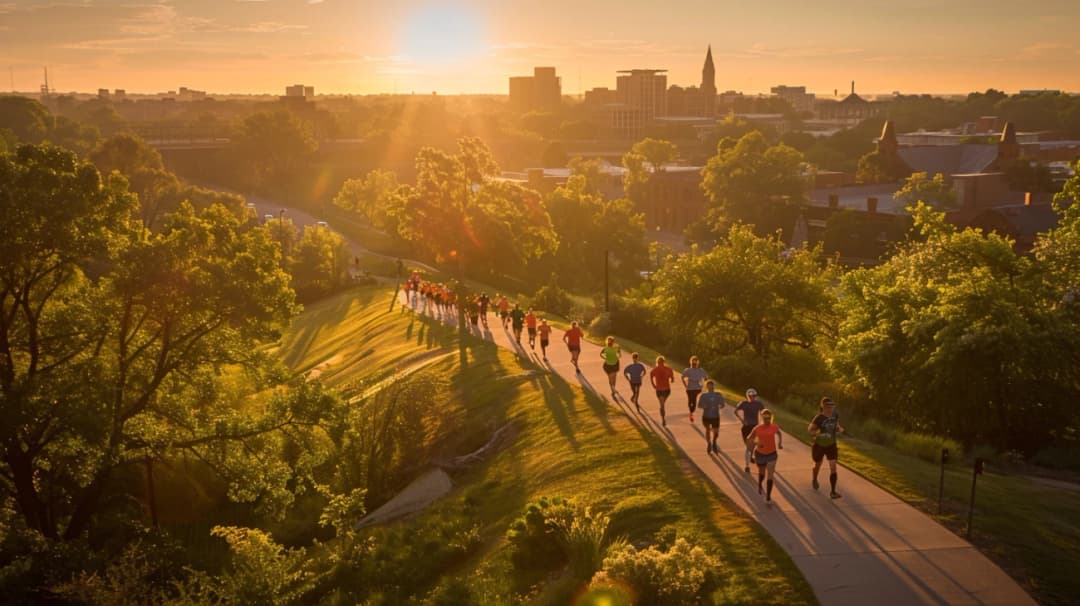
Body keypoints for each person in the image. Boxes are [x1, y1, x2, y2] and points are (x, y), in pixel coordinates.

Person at [808, 397, 845, 499]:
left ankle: (833, 492)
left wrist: (840, 429)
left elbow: (836, 426)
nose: (829, 408)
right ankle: (814, 478)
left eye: (831, 406)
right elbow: (810, 429)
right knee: (818, 464)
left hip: (831, 445)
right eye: (827, 406)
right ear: (822, 406)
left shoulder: (835, 416)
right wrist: (817, 433)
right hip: (819, 445)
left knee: (833, 467)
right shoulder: (818, 418)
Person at [746, 409, 783, 503]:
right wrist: (757, 443)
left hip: (772, 454)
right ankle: (759, 484)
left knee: (770, 474)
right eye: (765, 417)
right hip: (760, 454)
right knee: (762, 473)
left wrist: (779, 443)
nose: (767, 419)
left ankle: (768, 497)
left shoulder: (774, 427)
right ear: (762, 417)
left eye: (768, 417)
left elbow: (779, 433)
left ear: (771, 417)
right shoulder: (757, 428)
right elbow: (749, 439)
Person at [734, 388, 765, 473]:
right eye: (750, 396)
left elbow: (763, 413)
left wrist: (763, 423)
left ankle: (749, 461)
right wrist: (742, 420)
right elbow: (735, 411)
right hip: (746, 427)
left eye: (753, 396)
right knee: (749, 447)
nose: (752, 397)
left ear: (755, 396)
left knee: (752, 446)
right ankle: (748, 462)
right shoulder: (743, 403)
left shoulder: (758, 404)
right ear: (747, 396)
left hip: (755, 427)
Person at [698, 380, 725, 454]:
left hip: (715, 416)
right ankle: (709, 443)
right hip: (706, 416)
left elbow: (722, 405)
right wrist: (705, 406)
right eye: (708, 385)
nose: (710, 386)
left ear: (713, 386)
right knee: (707, 430)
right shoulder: (704, 396)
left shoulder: (718, 395)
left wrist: (720, 406)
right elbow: (699, 405)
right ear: (706, 386)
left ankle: (714, 441)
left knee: (716, 432)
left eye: (711, 385)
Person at [649, 356, 675, 426]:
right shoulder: (668, 369)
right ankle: (663, 419)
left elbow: (651, 376)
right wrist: (671, 379)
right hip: (665, 390)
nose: (660, 363)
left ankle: (663, 418)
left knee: (662, 404)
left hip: (662, 390)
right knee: (662, 404)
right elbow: (672, 378)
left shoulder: (656, 369)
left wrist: (653, 384)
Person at [681, 356, 708, 423]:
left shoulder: (700, 370)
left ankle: (691, 413)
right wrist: (685, 385)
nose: (694, 363)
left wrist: (702, 382)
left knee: (694, 400)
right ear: (691, 362)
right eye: (693, 362)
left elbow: (706, 378)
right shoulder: (688, 370)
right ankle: (691, 412)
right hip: (689, 388)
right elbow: (682, 377)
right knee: (690, 401)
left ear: (697, 363)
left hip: (697, 388)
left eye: (695, 362)